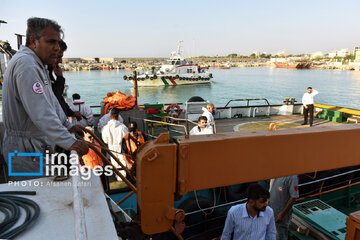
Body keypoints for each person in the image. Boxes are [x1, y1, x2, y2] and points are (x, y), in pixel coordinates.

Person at [2, 17, 88, 180]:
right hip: (24, 150)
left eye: (58, 43)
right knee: (34, 197)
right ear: (34, 41)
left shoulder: (37, 64)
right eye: (51, 42)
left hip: (34, 146)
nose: (56, 48)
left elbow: (51, 102)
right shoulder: (26, 65)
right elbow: (41, 113)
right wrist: (70, 142)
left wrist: (67, 125)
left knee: (43, 194)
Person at [49, 40, 82, 121]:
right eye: (58, 57)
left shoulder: (48, 72)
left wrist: (71, 113)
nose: (60, 61)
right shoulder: (42, 73)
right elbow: (55, 97)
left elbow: (58, 98)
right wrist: (60, 78)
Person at [269, 175, 299, 240]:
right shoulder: (275, 173)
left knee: (281, 235)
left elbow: (293, 197)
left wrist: (282, 214)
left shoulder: (292, 177)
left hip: (281, 216)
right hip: (271, 212)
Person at [102, 108, 129, 179]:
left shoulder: (105, 128)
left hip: (111, 149)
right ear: (118, 116)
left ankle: (117, 178)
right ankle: (123, 180)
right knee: (122, 164)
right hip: (121, 149)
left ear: (110, 116)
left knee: (115, 164)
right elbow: (127, 139)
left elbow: (105, 140)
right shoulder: (123, 127)